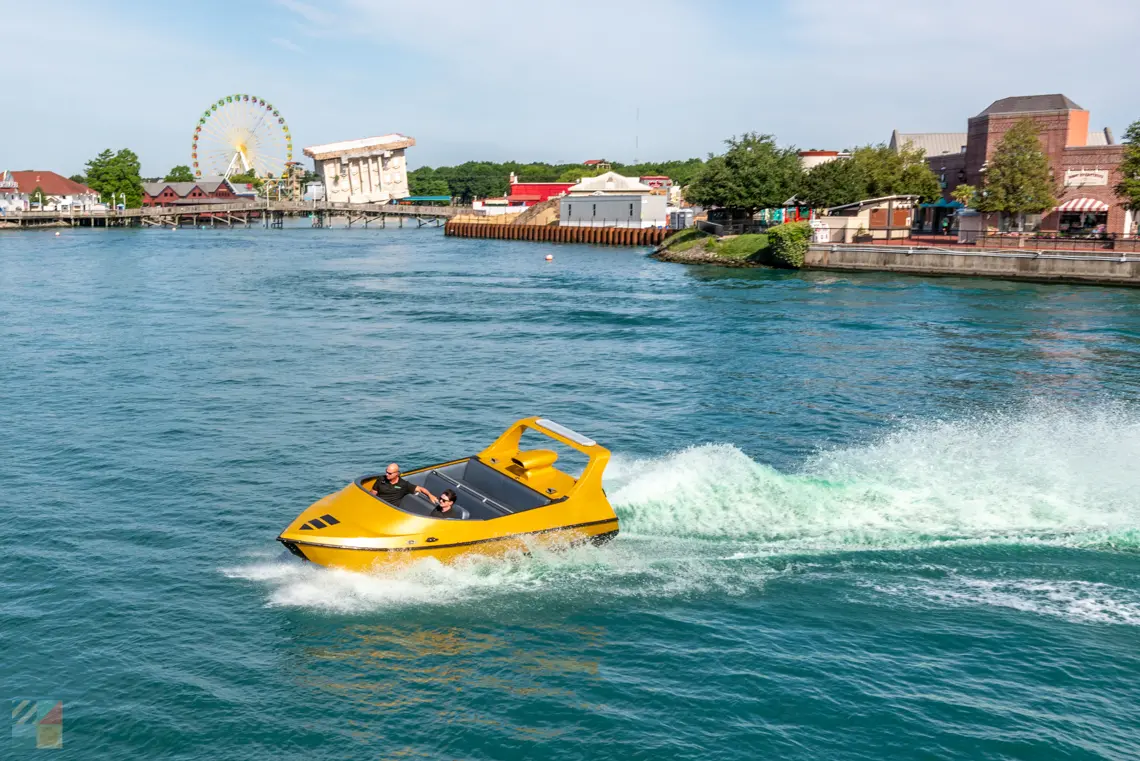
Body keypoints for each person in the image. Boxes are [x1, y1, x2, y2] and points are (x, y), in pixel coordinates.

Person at [370, 463, 436, 506]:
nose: (387, 474)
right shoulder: (381, 479)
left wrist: (430, 495)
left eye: (390, 473)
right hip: (377, 504)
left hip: (390, 508)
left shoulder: (403, 484)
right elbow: (372, 493)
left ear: (397, 473)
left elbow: (420, 489)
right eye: (386, 472)